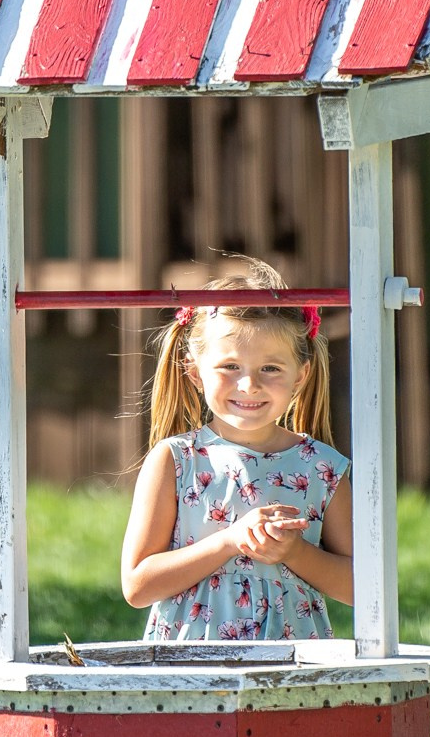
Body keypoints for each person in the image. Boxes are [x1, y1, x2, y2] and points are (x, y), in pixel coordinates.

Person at [121, 259, 353, 641]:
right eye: (230, 366)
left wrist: (294, 553)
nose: (249, 385)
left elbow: (361, 588)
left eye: (271, 369)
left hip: (291, 673)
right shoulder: (176, 461)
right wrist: (230, 541)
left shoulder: (324, 468)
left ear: (301, 375)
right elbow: (137, 585)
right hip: (191, 676)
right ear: (194, 371)